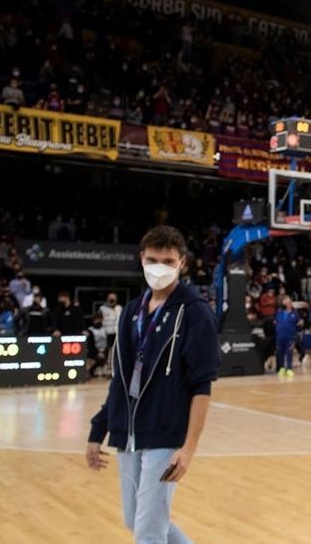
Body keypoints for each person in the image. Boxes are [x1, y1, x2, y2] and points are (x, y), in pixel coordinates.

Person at [85, 225, 219, 544]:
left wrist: (188, 449)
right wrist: (97, 431)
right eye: (153, 259)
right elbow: (120, 378)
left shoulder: (195, 312)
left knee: (148, 531)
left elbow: (203, 386)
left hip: (166, 433)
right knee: (137, 520)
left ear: (181, 264)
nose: (160, 267)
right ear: (141, 259)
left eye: (168, 261)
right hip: (128, 432)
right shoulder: (132, 310)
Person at [274, 294, 300, 377]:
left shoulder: (294, 313)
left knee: (289, 353)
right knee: (280, 352)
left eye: (288, 299)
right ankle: (281, 368)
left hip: (290, 336)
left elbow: (299, 323)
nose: (286, 301)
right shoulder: (279, 312)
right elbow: (275, 322)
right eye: (285, 300)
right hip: (280, 336)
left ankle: (289, 369)